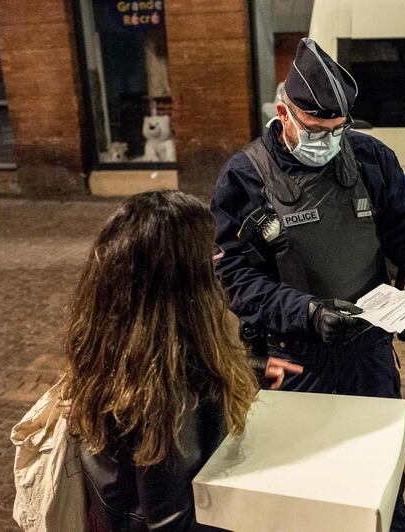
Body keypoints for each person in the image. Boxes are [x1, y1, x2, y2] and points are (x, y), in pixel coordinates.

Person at [211, 37, 405, 532]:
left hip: (368, 354)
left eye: (337, 130)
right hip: (293, 361)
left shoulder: (370, 158)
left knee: (380, 488)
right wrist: (306, 313)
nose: (327, 142)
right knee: (301, 492)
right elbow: (235, 278)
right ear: (283, 112)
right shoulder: (244, 177)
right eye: (314, 130)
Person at [61, 190, 291, 531]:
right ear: (182, 280)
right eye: (209, 250)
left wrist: (248, 372)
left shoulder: (119, 340)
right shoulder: (164, 393)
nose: (219, 256)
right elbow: (171, 523)